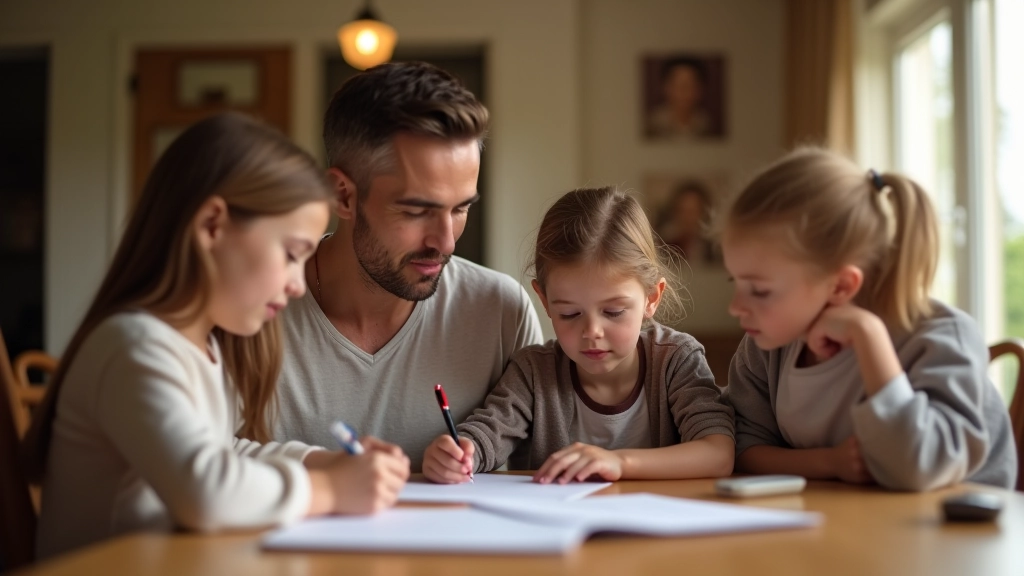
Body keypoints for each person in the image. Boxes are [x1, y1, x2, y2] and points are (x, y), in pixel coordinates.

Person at [26, 113, 410, 560]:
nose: (297, 284)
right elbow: (206, 491)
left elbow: (222, 450)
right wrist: (329, 488)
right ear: (212, 225)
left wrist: (321, 461)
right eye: (290, 254)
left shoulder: (201, 347)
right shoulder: (133, 347)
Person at [273, 62, 543, 470]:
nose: (446, 242)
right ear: (343, 196)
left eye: (460, 208)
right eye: (417, 211)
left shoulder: (501, 312)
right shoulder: (253, 313)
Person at [720, 148, 1016, 491]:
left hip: (956, 534)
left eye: (759, 290)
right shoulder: (768, 343)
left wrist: (868, 335)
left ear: (841, 286)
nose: (735, 307)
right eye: (735, 282)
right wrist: (829, 462)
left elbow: (918, 468)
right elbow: (742, 448)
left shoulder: (942, 336)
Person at [422, 187, 735, 484]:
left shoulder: (676, 360)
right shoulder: (534, 372)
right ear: (544, 301)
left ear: (652, 298)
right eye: (570, 314)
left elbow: (718, 453)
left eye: (613, 312)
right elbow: (489, 432)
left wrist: (619, 463)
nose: (592, 332)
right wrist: (461, 451)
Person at [646, 57, 713, 139]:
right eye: (679, 86)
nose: (684, 92)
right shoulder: (653, 124)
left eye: (690, 86)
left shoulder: (706, 124)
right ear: (666, 88)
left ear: (699, 90)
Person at [656, 180, 717, 264]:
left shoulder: (713, 248)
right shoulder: (665, 244)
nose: (687, 217)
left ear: (703, 213)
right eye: (682, 211)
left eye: (692, 211)